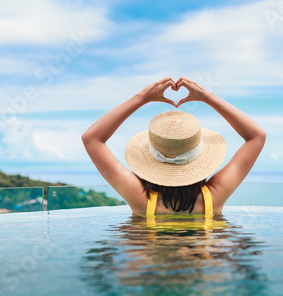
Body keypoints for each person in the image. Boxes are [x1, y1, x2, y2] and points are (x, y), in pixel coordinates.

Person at [81, 77, 266, 215]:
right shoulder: (215, 197)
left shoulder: (140, 200)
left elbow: (92, 138)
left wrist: (141, 97)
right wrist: (207, 97)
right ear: (199, 159)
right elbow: (256, 136)